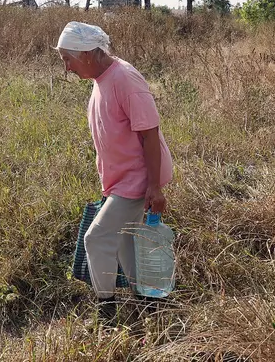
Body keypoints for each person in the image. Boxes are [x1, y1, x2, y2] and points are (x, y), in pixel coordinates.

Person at [56, 21, 173, 324]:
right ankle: (148, 306)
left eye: (68, 59)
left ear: (88, 54)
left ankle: (105, 310)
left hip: (137, 179)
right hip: (120, 180)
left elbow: (150, 134)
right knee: (124, 243)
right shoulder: (102, 78)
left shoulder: (125, 79)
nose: (67, 68)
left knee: (96, 238)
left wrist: (155, 187)